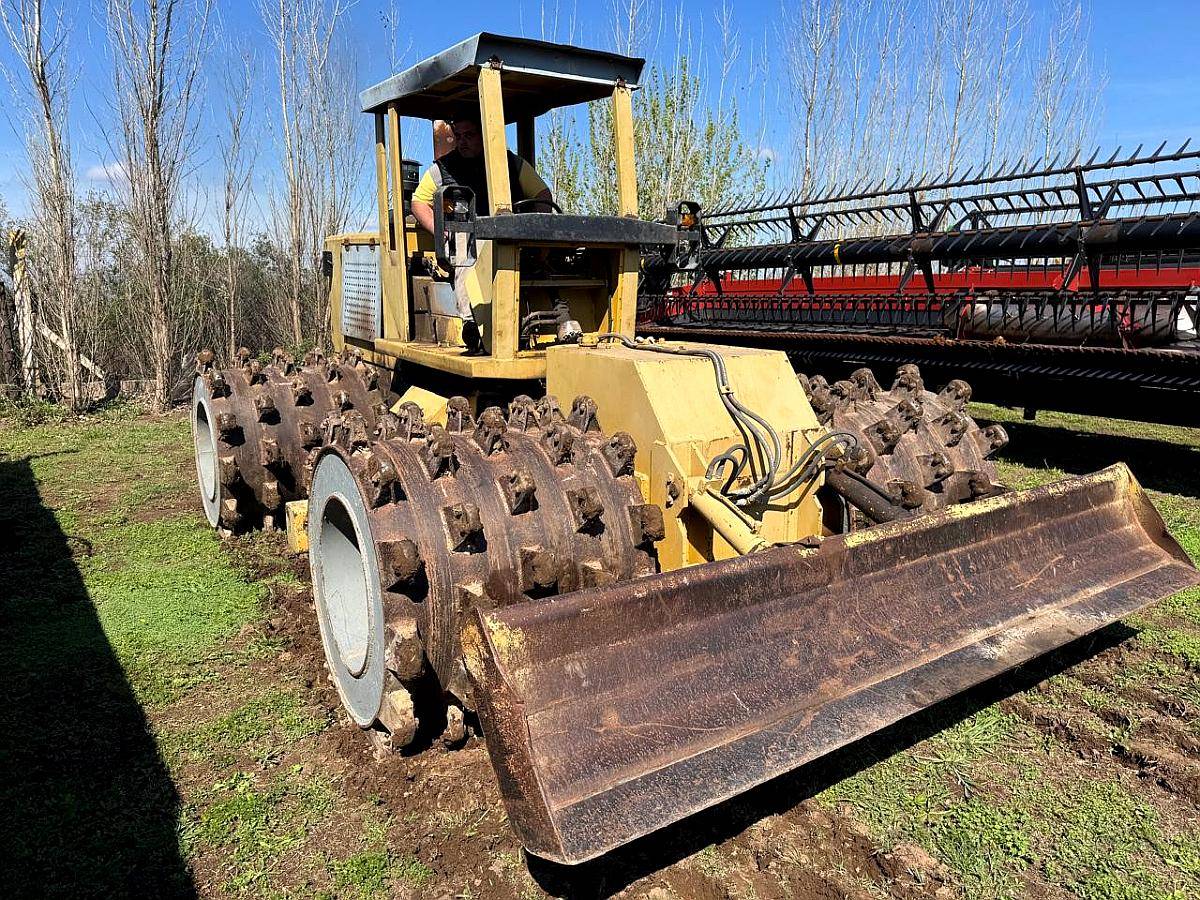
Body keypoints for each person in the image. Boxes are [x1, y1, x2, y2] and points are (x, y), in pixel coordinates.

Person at [410, 117, 554, 354]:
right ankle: (473, 322)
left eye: (470, 135)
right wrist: (442, 231)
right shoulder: (442, 168)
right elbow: (418, 202)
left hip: (509, 239)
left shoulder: (510, 163)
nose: (462, 142)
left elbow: (542, 194)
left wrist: (538, 234)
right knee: (465, 241)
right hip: (467, 239)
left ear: (485, 135)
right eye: (458, 136)